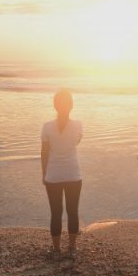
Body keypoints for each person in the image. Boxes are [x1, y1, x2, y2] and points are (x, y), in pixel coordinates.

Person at [41, 89, 83, 261]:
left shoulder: (47, 126)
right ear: (71, 105)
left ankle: (57, 250)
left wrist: (44, 174)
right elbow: (77, 141)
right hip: (73, 174)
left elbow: (44, 153)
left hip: (53, 175)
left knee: (56, 213)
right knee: (73, 212)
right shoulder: (78, 125)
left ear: (55, 105)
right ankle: (72, 249)